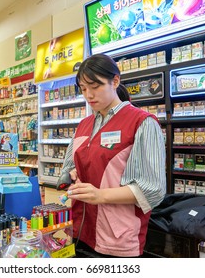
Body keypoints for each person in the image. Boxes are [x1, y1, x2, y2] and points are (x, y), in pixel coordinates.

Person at [59, 53, 166, 257]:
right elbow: (69, 167)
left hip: (117, 238)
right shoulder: (84, 125)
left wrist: (100, 195)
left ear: (115, 81)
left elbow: (152, 189)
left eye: (95, 86)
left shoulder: (142, 123)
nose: (89, 95)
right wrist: (72, 174)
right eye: (83, 89)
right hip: (81, 228)